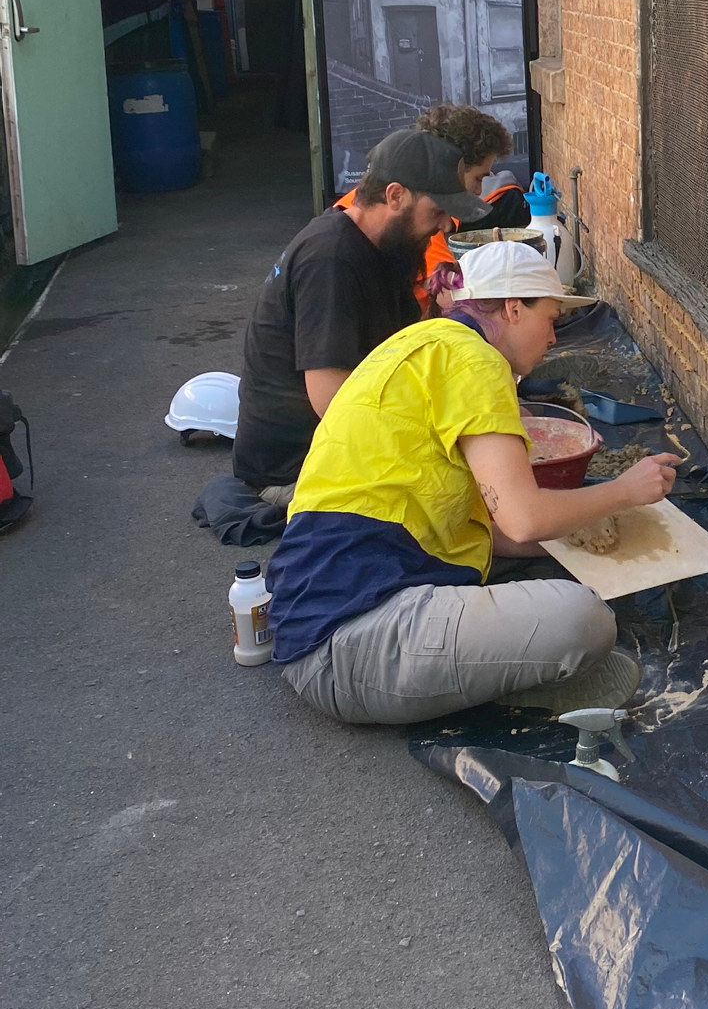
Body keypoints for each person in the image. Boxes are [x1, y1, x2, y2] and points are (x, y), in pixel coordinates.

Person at [266, 243, 678, 724]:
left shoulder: (425, 344)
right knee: (583, 617)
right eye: (550, 319)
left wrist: (584, 531)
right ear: (512, 308)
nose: (553, 338)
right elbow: (523, 520)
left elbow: (495, 529)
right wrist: (625, 491)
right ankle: (511, 686)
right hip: (351, 641)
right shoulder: (475, 361)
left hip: (323, 621)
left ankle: (501, 680)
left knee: (554, 582)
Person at [231, 129, 489, 503]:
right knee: (463, 499)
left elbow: (404, 349)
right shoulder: (330, 258)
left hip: (337, 444)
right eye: (438, 211)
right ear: (395, 195)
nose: (447, 226)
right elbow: (332, 399)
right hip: (297, 468)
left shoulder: (387, 244)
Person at [334, 104, 531, 314]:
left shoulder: (387, 209)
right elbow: (448, 299)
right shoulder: (408, 222)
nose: (478, 190)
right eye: (478, 178)